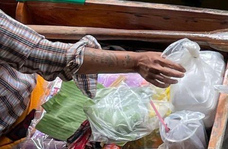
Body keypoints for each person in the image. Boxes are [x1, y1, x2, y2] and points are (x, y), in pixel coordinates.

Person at [0, 9, 185, 144]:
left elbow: (37, 52)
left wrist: (137, 61)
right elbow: (45, 54)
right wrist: (137, 62)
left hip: (34, 92)